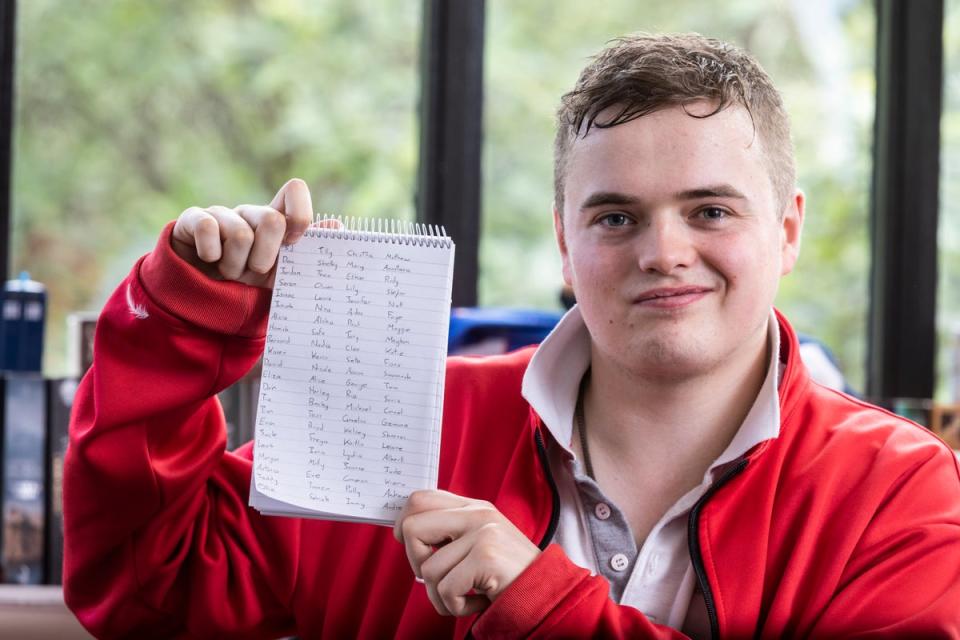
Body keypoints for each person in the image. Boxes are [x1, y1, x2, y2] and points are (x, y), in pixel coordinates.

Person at [63, 33, 960, 638]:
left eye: (711, 209)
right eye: (615, 217)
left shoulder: (902, 493)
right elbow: (145, 593)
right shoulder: (402, 420)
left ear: (790, 230)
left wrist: (536, 603)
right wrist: (179, 323)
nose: (663, 252)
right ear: (566, 244)